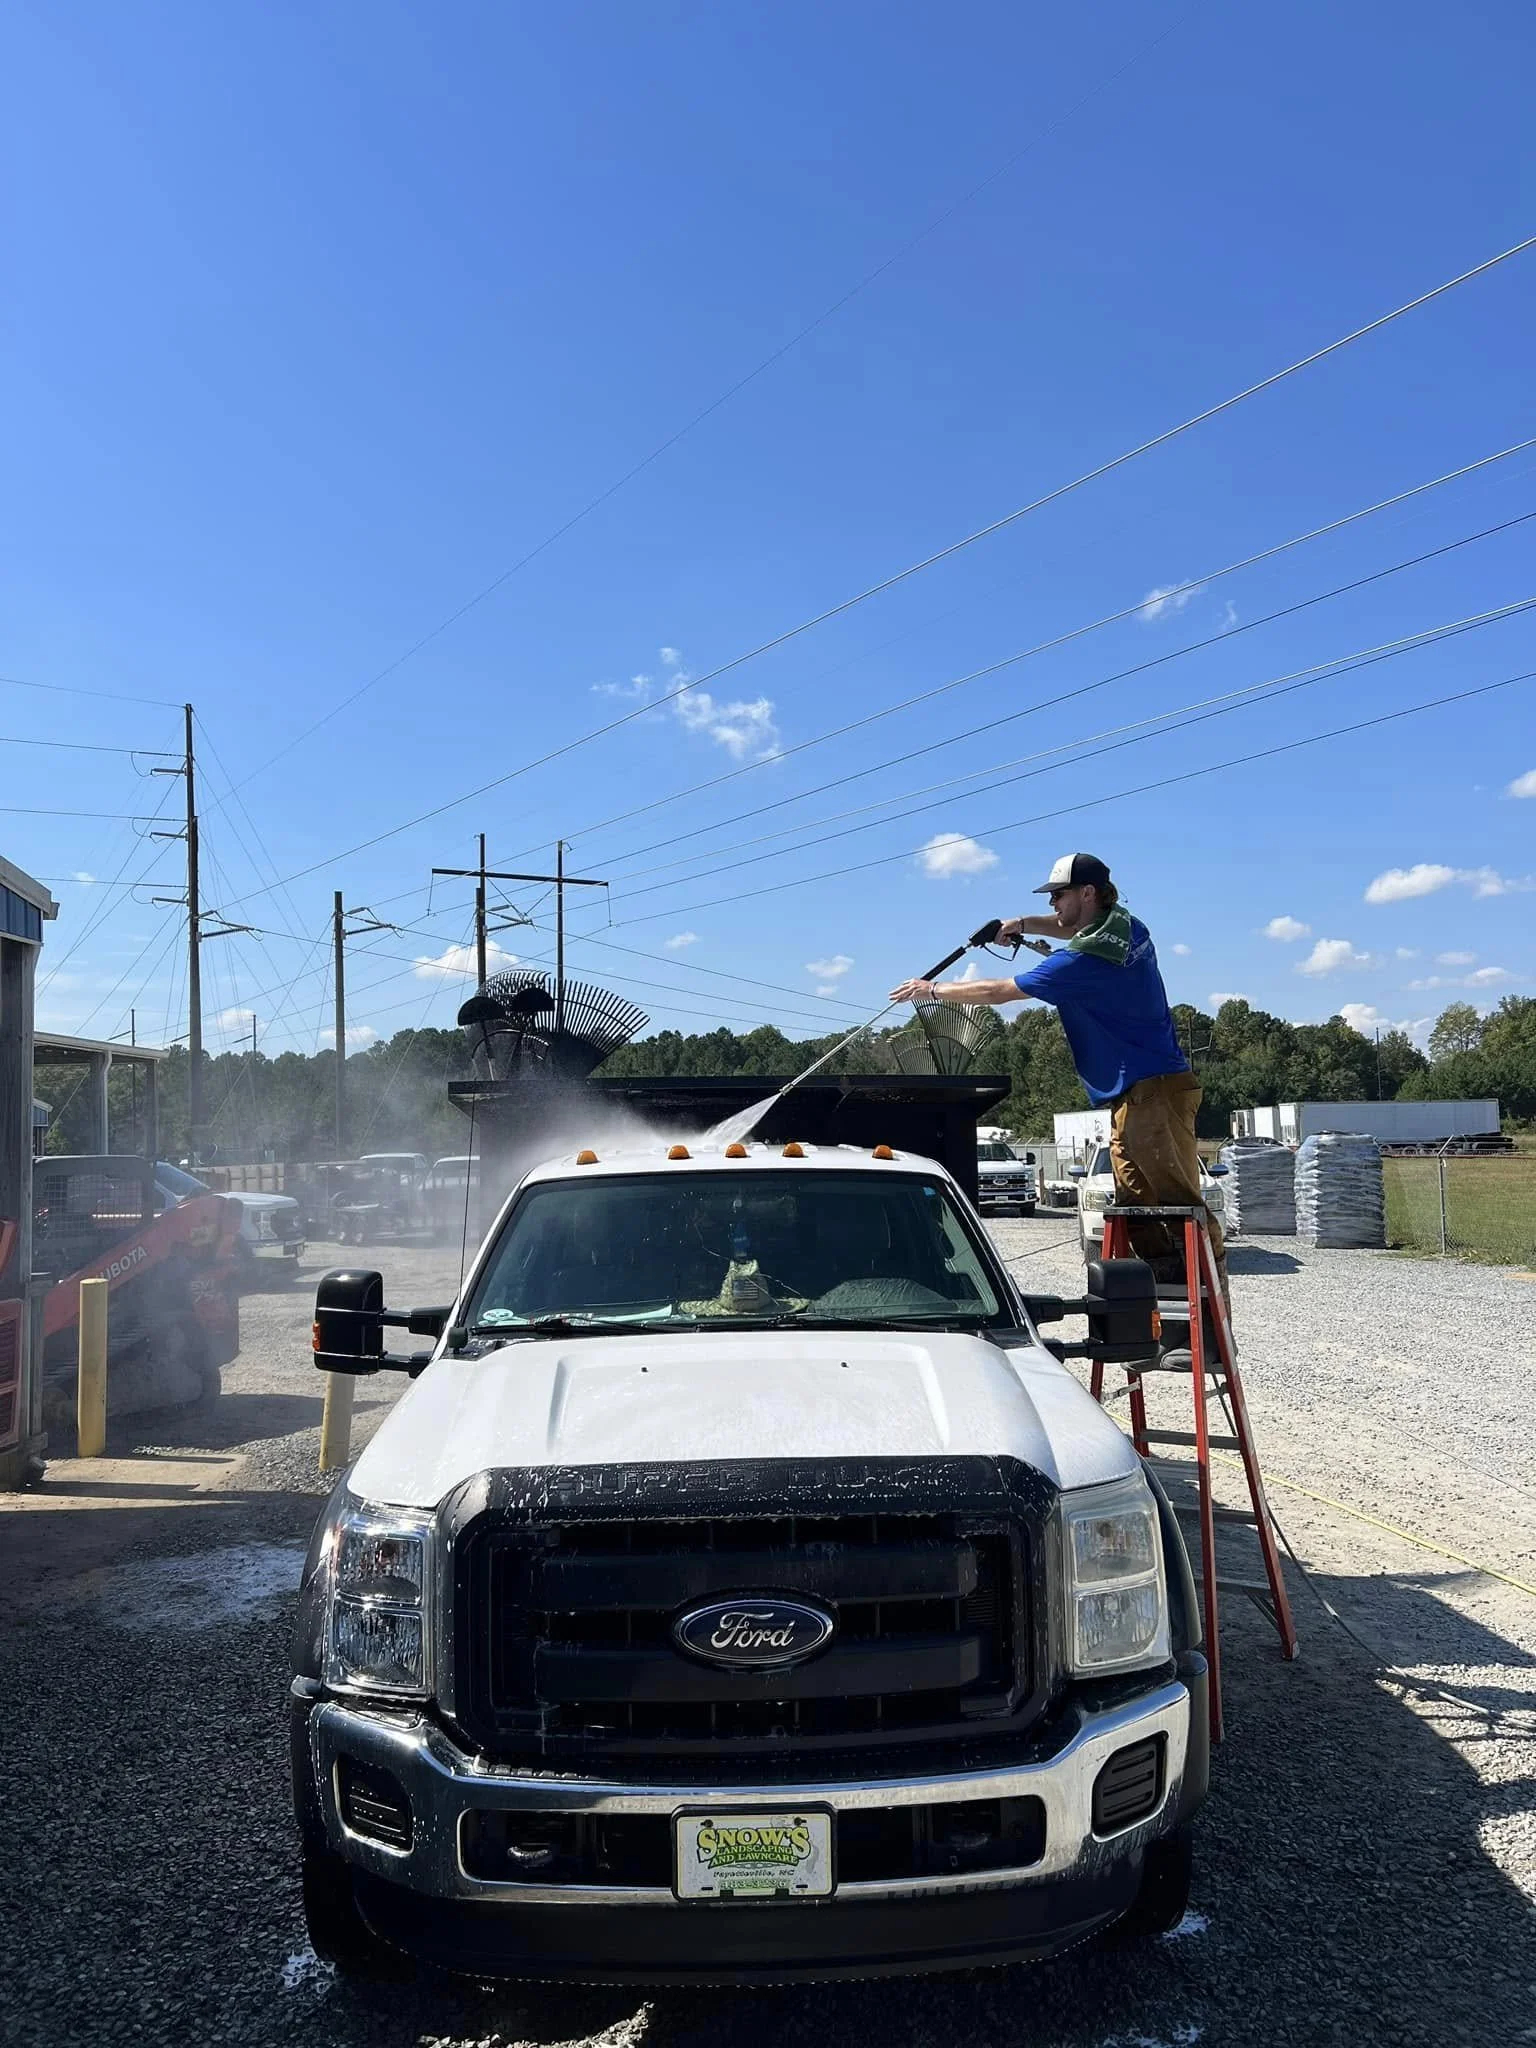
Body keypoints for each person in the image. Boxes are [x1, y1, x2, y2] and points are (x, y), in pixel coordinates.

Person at [890, 851, 1225, 1293]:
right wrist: (1021, 924)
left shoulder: (1081, 963)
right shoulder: (1127, 926)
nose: (1052, 905)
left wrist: (932, 989)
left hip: (1154, 1090)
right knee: (1134, 1197)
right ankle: (1163, 1284)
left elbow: (1000, 991)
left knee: (1176, 1202)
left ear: (1087, 893)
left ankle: (1206, 1295)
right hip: (1143, 1090)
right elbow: (1069, 927)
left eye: (1058, 896)